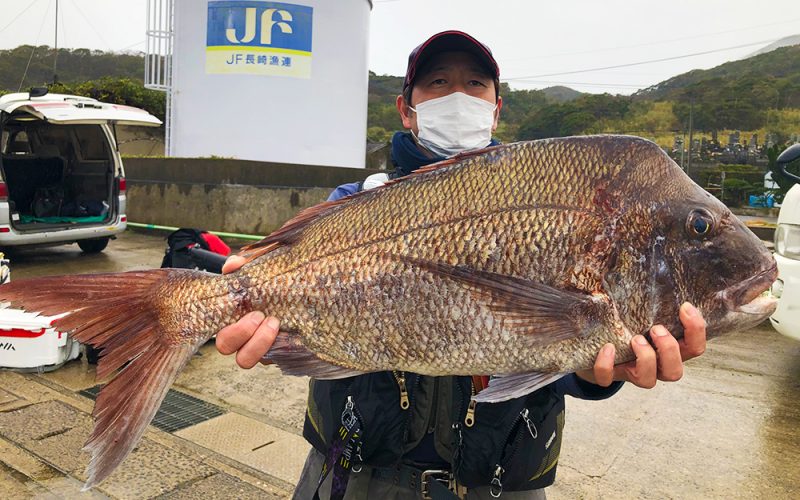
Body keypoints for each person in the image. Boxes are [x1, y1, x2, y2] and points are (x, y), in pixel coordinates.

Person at [215, 31, 707, 499]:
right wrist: (245, 293)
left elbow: (554, 349)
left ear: (495, 111)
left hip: (497, 483)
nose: (458, 94)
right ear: (406, 110)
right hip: (354, 474)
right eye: (438, 83)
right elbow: (293, 278)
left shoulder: (543, 199)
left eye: (475, 84)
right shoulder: (354, 202)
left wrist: (604, 370)